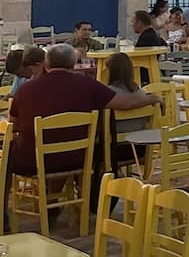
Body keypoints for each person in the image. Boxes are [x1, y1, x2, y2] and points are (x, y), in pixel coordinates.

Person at [8, 44, 162, 177]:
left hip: (33, 161)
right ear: (74, 64)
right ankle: (53, 198)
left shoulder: (25, 90)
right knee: (68, 144)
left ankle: (3, 207)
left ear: (46, 64)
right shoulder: (88, 85)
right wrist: (151, 98)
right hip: (77, 158)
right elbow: (125, 103)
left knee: (6, 154)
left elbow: (13, 126)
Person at [106, 52, 153, 135]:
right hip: (141, 138)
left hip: (114, 139)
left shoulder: (108, 93)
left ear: (110, 71)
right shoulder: (141, 94)